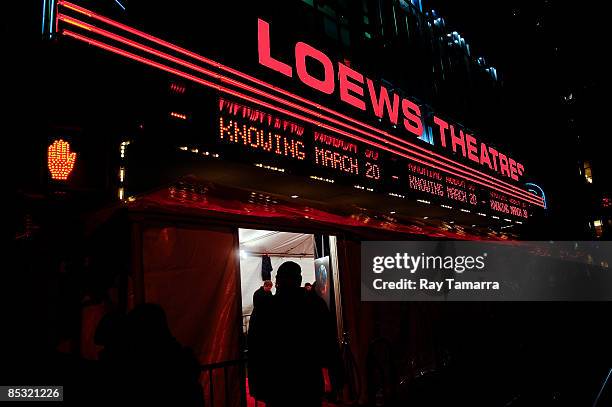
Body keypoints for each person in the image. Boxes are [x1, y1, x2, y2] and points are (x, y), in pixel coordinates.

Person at [256, 261, 338, 407]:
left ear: (277, 280)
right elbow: (328, 339)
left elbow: (257, 346)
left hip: (277, 380)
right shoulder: (314, 303)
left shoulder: (267, 306)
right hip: (308, 377)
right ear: (299, 280)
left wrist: (259, 385)